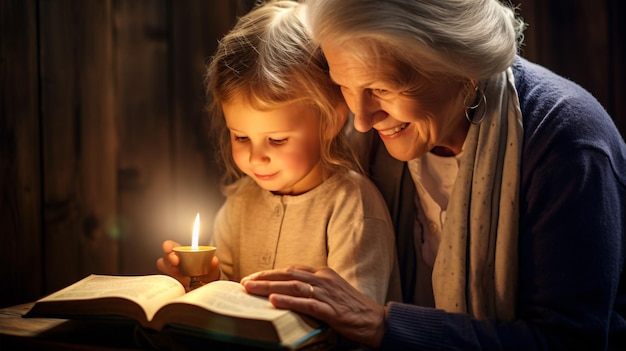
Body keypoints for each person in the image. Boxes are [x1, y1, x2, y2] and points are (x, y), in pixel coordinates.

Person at [240, 0, 626, 349]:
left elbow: (569, 341)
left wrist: (383, 324)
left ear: (463, 69)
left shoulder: (566, 143)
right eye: (344, 85)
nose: (360, 121)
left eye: (381, 88)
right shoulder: (369, 139)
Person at [156, 0, 401, 305]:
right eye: (241, 137)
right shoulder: (239, 205)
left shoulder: (351, 207)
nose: (257, 157)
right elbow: (223, 295)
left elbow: (356, 316)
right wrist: (202, 282)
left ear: (330, 120)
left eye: (277, 140)